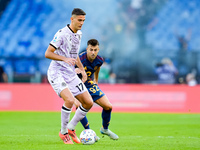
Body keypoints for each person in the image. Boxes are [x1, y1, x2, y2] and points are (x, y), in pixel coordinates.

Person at [45, 8, 93, 144]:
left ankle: (71, 128)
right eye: (79, 20)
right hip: (57, 72)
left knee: (88, 102)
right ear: (72, 19)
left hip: (70, 72)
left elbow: (74, 54)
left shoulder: (79, 34)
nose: (81, 23)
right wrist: (64, 59)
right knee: (70, 100)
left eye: (83, 21)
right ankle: (64, 132)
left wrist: (82, 70)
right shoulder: (61, 34)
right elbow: (48, 53)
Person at [75, 39, 119, 140]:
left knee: (108, 106)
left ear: (98, 49)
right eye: (91, 50)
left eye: (95, 50)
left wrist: (96, 80)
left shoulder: (99, 60)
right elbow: (67, 70)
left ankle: (105, 129)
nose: (93, 52)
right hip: (76, 84)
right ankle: (89, 132)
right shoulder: (80, 59)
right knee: (78, 106)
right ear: (87, 49)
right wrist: (74, 70)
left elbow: (97, 68)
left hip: (89, 83)